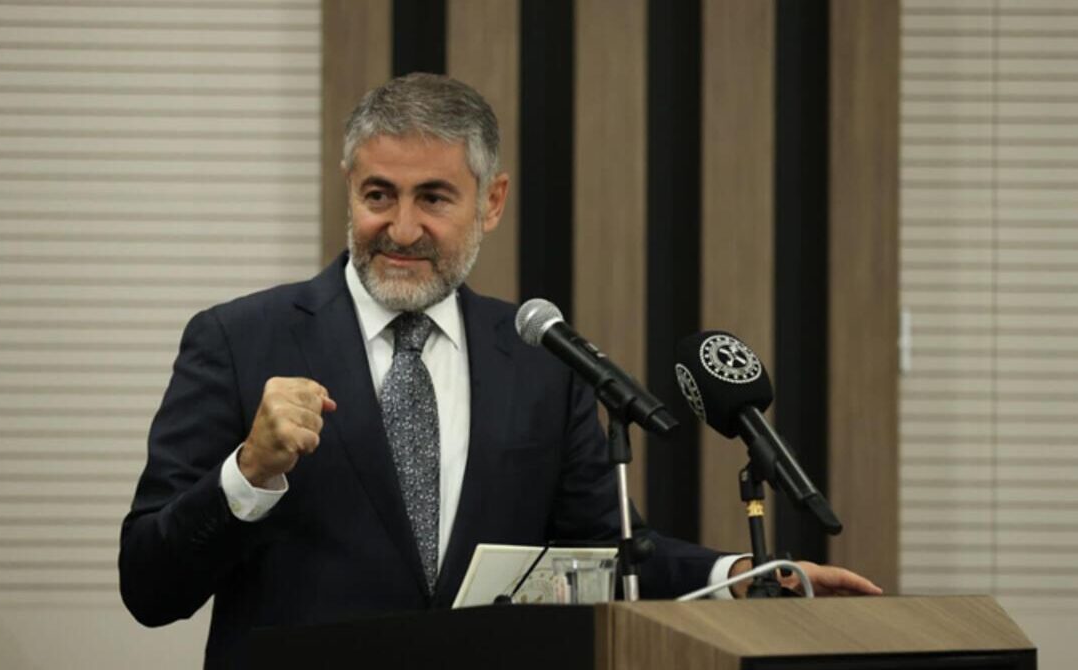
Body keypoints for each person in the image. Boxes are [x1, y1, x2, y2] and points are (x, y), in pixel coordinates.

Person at [119, 73, 880, 668]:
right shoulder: (238, 341)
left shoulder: (543, 362)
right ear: (349, 187)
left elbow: (610, 553)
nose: (402, 228)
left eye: (434, 197)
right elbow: (150, 588)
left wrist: (742, 575)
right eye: (379, 195)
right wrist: (247, 474)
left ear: (492, 202)